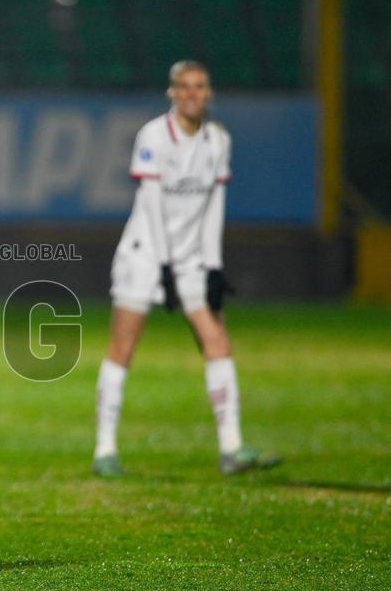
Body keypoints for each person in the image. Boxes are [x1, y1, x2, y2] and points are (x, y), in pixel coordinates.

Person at [92, 60, 279, 477]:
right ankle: (104, 449)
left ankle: (232, 448)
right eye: (184, 86)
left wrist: (212, 266)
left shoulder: (218, 140)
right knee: (123, 348)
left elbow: (214, 206)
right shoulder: (155, 135)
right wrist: (163, 266)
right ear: (172, 93)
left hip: (192, 259)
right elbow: (153, 204)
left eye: (200, 87)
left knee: (217, 341)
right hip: (145, 254)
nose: (192, 94)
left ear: (208, 93)